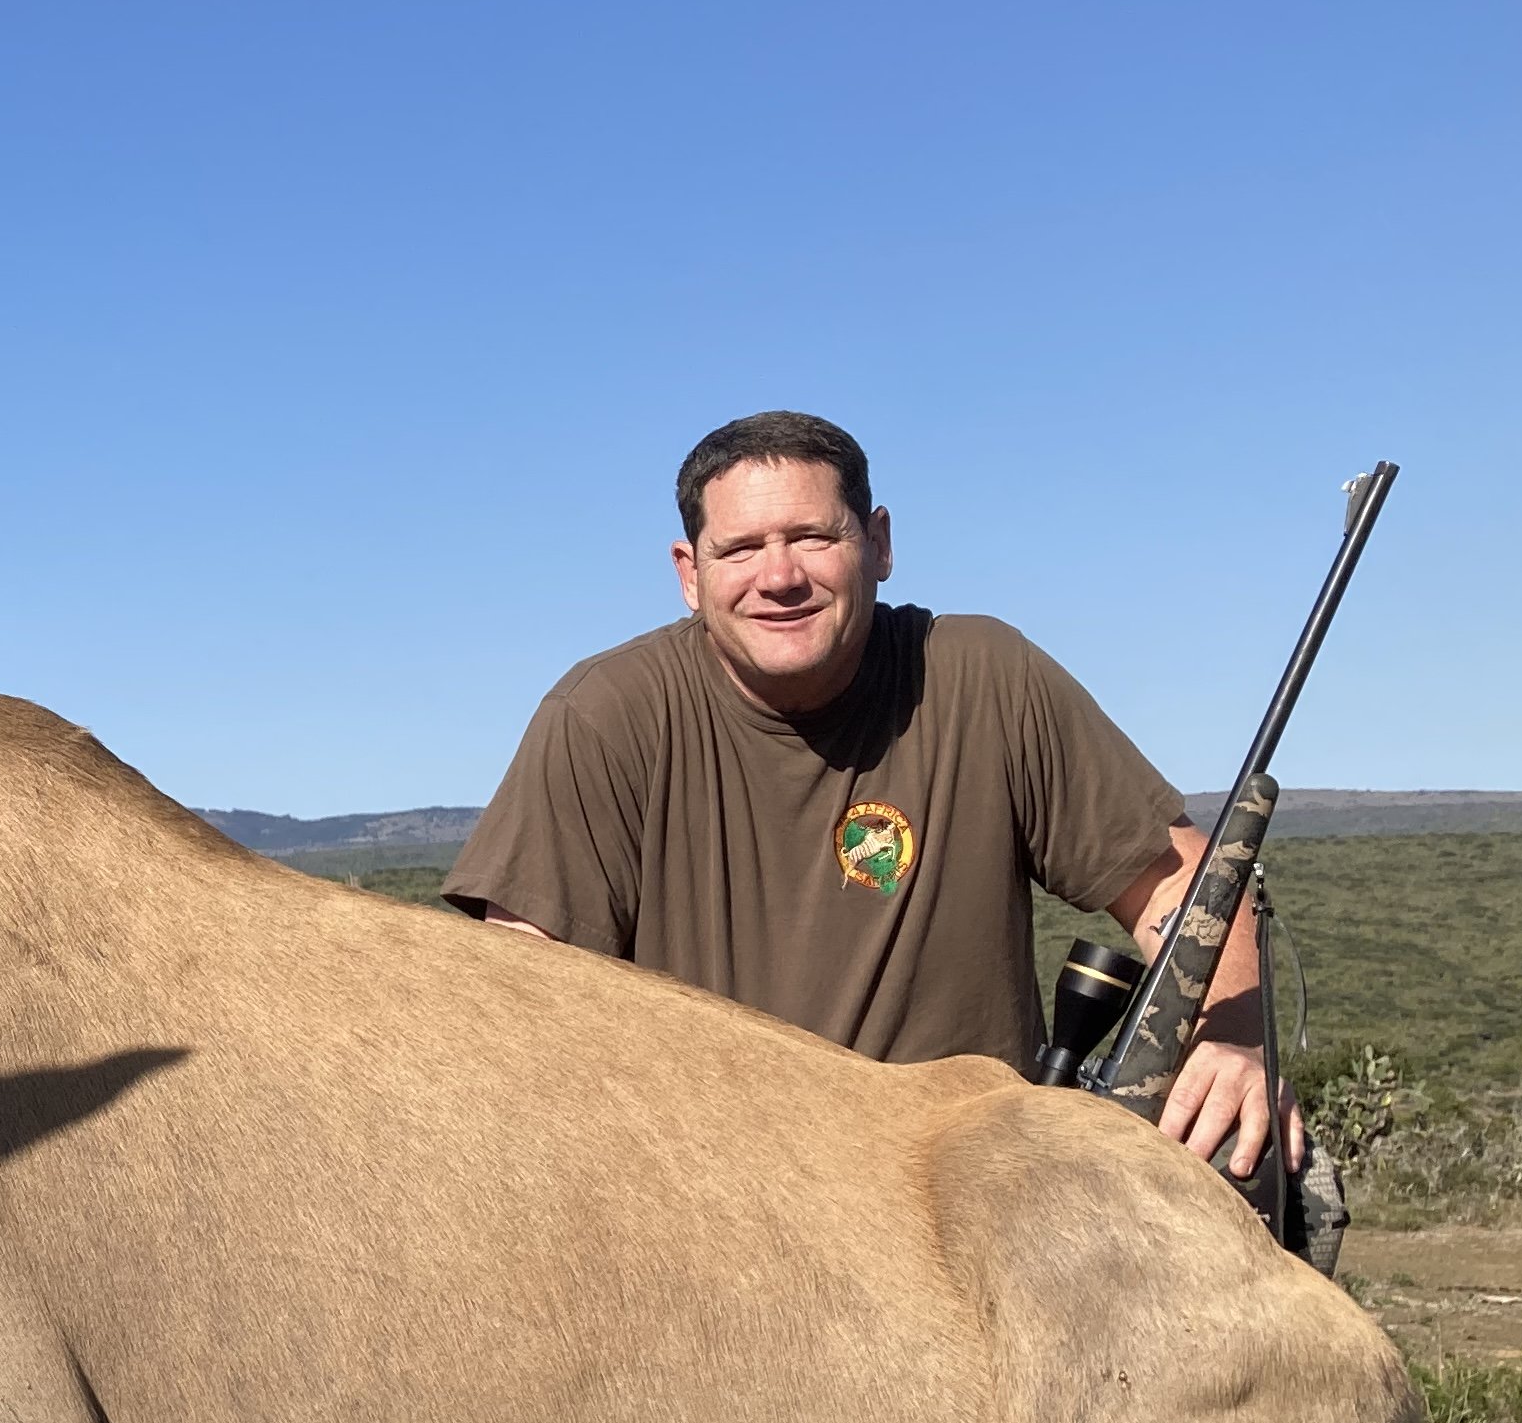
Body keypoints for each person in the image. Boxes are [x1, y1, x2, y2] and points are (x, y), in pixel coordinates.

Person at [441, 410, 1294, 1177]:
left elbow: (1183, 885)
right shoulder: (603, 717)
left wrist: (1228, 1038)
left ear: (878, 543)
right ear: (689, 572)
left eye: (813, 537)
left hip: (965, 1189)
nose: (779, 576)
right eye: (739, 549)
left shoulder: (982, 676)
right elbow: (526, 995)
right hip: (705, 1190)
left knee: (1254, 1161)